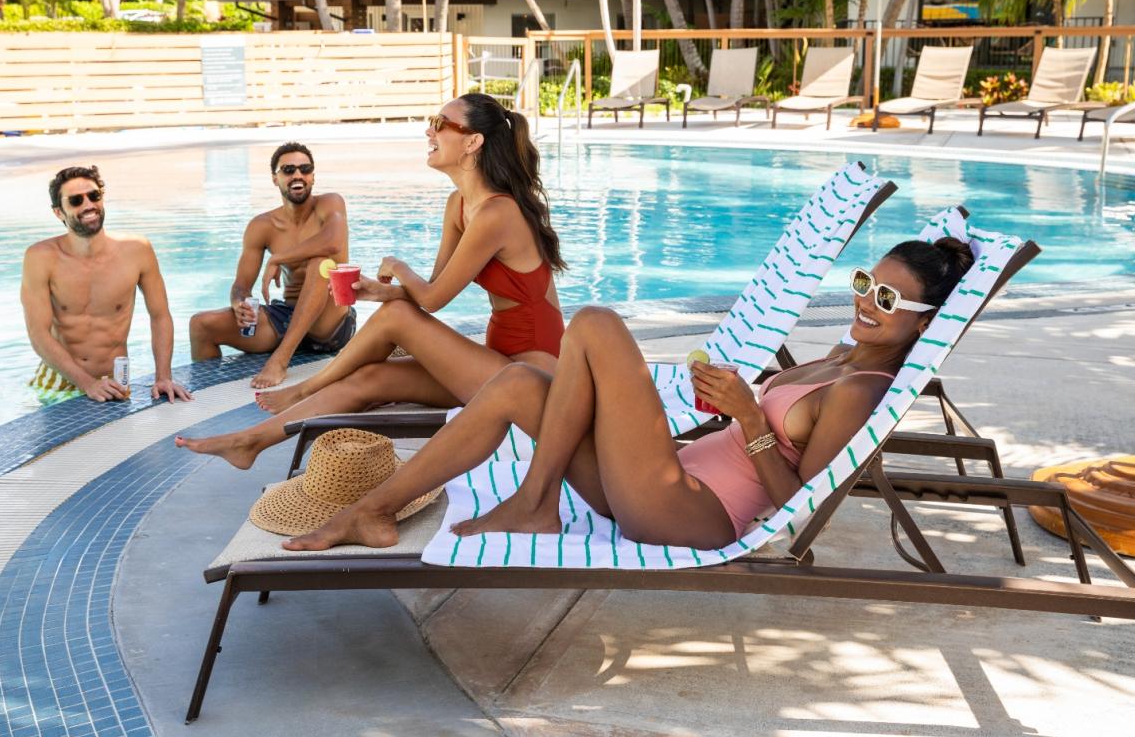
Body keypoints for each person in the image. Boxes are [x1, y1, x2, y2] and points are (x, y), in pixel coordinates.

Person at [280, 238, 974, 552]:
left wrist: (746, 413)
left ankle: (535, 502)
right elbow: (750, 439)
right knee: (519, 382)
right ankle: (373, 512)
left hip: (692, 511)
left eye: (888, 299)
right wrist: (719, 418)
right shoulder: (841, 356)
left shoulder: (861, 391)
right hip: (667, 478)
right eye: (864, 284)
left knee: (596, 324)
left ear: (924, 322)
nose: (867, 302)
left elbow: (800, 502)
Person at [176, 92, 566, 470]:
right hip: (497, 359)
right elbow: (435, 286)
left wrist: (397, 266)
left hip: (533, 375)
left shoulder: (498, 213)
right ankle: (250, 442)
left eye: (439, 123)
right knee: (370, 378)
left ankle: (308, 387)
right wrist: (383, 291)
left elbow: (432, 299)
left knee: (397, 315)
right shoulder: (459, 204)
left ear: (472, 142)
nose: (428, 132)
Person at [188, 143, 356, 389]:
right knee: (201, 325)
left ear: (312, 176)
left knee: (322, 263)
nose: (297, 175)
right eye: (288, 170)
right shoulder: (262, 226)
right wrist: (239, 304)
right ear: (275, 179)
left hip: (330, 323)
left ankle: (280, 360)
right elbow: (241, 285)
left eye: (304, 169)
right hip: (286, 315)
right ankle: (207, 394)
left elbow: (333, 243)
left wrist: (278, 258)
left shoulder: (330, 203)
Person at [21, 165, 192, 404]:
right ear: (59, 212)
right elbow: (38, 333)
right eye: (76, 200)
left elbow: (160, 316)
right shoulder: (40, 257)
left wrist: (163, 377)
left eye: (94, 196)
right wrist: (87, 384)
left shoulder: (137, 250)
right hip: (59, 381)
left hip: (115, 379)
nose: (88, 205)